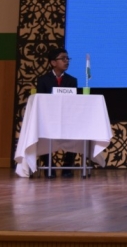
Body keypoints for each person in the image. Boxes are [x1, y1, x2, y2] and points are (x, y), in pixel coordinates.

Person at [36, 47, 78, 178]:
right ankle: (49, 166)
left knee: (77, 133)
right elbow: (41, 100)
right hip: (48, 118)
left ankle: (67, 167)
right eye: (63, 59)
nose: (66, 61)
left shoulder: (72, 80)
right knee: (42, 135)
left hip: (67, 118)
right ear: (53, 62)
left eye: (67, 58)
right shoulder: (43, 80)